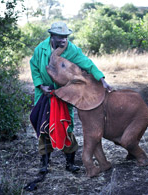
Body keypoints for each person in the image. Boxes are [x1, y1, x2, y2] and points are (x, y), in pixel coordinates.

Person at [30, 21, 112, 175]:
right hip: (44, 93)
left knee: (66, 124)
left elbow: (87, 63)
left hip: (64, 93)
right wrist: (41, 86)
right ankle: (45, 164)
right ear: (52, 36)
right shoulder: (40, 49)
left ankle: (70, 163)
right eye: (60, 37)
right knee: (44, 125)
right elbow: (34, 66)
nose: (63, 40)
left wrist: (102, 79)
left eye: (65, 37)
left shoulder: (72, 50)